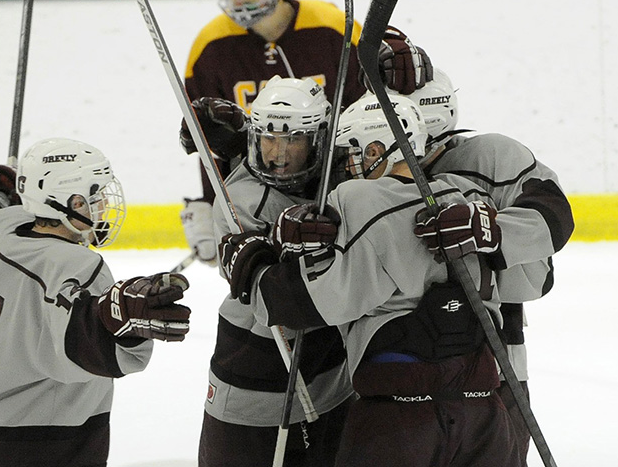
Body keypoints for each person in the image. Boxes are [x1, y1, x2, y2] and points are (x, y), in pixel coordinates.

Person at [219, 92, 521, 466]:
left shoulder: (360, 198)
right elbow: (531, 281)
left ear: (375, 148)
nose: (346, 168)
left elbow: (317, 304)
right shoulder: (468, 196)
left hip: (401, 420)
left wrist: (256, 269)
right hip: (486, 417)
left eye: (350, 154)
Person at [178, 0, 431, 266]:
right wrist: (213, 205)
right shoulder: (210, 46)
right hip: (262, 193)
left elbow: (378, 110)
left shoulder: (331, 29)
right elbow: (212, 144)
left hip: (339, 185)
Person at [0, 138, 191, 467]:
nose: (104, 205)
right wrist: (120, 319)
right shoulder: (78, 266)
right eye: (95, 196)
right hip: (52, 441)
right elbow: (86, 339)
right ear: (70, 202)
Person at [408, 68, 574, 464]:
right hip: (393, 368)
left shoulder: (491, 156)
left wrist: (492, 232)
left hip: (492, 363)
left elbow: (553, 220)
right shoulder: (366, 167)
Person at [199, 76, 356, 467]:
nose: (277, 153)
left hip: (332, 379)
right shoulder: (240, 202)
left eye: (294, 139)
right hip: (251, 384)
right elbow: (275, 298)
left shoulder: (338, 179)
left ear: (320, 138)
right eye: (268, 138)